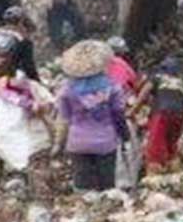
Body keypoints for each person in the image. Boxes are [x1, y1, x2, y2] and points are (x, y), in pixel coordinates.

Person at [55, 39, 130, 193]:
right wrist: (125, 135)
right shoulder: (112, 88)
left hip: (77, 143)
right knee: (107, 188)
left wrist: (58, 144)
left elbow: (64, 120)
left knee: (83, 189)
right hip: (106, 143)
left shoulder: (66, 90)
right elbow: (118, 115)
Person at [139, 57, 183, 168]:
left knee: (155, 150)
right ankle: (174, 171)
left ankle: (155, 173)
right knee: (172, 147)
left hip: (162, 114)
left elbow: (144, 93)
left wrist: (132, 111)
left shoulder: (157, 77)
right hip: (179, 115)